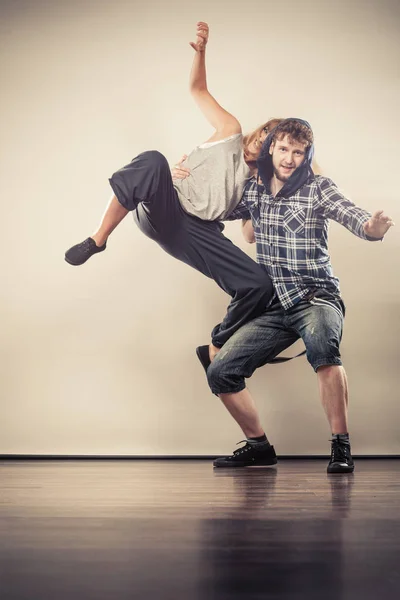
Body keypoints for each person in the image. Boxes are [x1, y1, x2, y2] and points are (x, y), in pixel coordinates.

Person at [64, 22, 280, 351]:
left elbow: (249, 235)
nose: (260, 146)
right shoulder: (229, 131)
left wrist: (271, 205)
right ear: (259, 132)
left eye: (271, 147)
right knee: (154, 160)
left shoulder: (260, 188)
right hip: (166, 204)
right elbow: (198, 91)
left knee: (259, 285)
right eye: (265, 135)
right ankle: (99, 238)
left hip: (195, 233)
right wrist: (202, 53)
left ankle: (216, 348)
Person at [198, 118, 394, 473]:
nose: (290, 158)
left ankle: (341, 448)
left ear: (307, 155)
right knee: (221, 371)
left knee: (322, 348)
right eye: (284, 149)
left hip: (317, 297)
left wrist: (373, 228)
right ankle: (259, 447)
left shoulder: (318, 188)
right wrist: (180, 181)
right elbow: (213, 205)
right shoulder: (254, 189)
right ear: (272, 147)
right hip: (275, 305)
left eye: (298, 152)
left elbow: (354, 217)